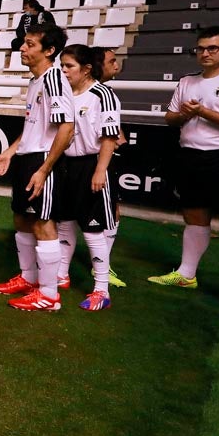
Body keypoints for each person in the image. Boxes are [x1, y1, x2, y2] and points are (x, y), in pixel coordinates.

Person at [150, 26, 219, 322]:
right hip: (190, 156)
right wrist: (186, 114)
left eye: (213, 48)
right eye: (200, 48)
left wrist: (203, 112)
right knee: (194, 216)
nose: (205, 53)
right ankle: (187, 274)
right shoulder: (187, 80)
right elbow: (170, 118)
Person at [0, 24, 74, 312]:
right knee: (22, 219)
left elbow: (67, 128)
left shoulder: (54, 80)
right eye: (23, 43)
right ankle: (28, 278)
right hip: (28, 157)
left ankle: (49, 295)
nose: (22, 49)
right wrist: (9, 153)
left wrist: (45, 169)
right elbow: (32, 126)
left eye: (29, 44)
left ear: (49, 50)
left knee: (42, 222)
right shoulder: (36, 81)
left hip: (42, 160)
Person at [53, 45, 122, 311]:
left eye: (69, 66)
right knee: (65, 222)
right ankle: (62, 273)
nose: (64, 71)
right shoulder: (64, 94)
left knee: (93, 228)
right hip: (66, 165)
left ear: (87, 69)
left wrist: (100, 170)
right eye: (62, 66)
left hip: (91, 164)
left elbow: (109, 136)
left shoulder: (103, 95)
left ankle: (101, 289)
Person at [91, 46, 127, 289]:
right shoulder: (86, 93)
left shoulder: (107, 94)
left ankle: (102, 266)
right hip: (90, 160)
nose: (117, 64)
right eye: (111, 61)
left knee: (112, 210)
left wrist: (117, 137)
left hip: (103, 160)